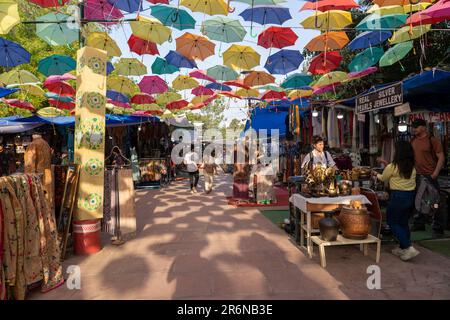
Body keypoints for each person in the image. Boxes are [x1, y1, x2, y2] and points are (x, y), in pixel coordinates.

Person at [374, 141, 419, 261]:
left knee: (392, 222)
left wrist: (375, 174)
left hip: (397, 196)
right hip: (410, 196)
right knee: (403, 223)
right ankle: (402, 247)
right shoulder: (412, 167)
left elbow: (383, 178)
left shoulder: (393, 166)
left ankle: (409, 247)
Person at [410, 119, 445, 235]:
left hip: (430, 176)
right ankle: (419, 224)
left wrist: (435, 173)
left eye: (416, 127)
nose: (414, 129)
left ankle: (438, 227)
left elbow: (441, 157)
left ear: (423, 127)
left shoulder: (432, 140)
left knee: (435, 201)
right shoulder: (413, 140)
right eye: (413, 127)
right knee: (418, 201)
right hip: (417, 176)